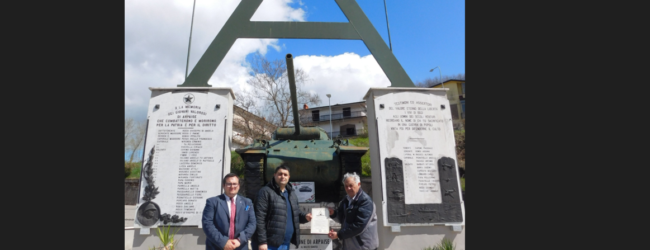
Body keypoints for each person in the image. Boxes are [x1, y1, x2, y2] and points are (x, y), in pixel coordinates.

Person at [252, 164, 313, 250]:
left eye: (285, 174)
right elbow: (259, 218)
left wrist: (306, 217)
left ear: (289, 177)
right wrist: (262, 242)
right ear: (274, 175)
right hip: (269, 244)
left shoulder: (291, 194)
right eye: (280, 174)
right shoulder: (265, 192)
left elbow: (295, 214)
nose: (282, 176)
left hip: (285, 243)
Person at [202, 173, 256, 250]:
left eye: (235, 184)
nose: (232, 186)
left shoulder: (247, 203)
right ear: (223, 185)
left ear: (239, 186)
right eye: (229, 184)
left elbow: (252, 224)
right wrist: (223, 242)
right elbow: (207, 224)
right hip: (217, 246)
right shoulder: (212, 202)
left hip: (240, 246)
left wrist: (239, 240)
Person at [327, 172, 379, 250]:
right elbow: (343, 218)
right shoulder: (346, 200)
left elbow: (359, 226)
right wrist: (333, 213)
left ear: (358, 184)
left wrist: (339, 235)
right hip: (349, 246)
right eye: (346, 186)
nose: (348, 188)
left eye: (351, 185)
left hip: (363, 247)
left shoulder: (365, 201)